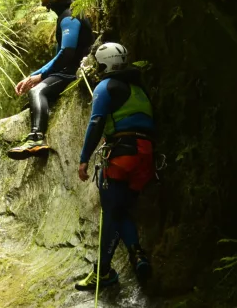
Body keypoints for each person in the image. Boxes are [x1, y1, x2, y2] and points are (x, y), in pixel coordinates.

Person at [74, 42, 155, 291]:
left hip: (122, 154)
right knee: (121, 212)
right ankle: (137, 255)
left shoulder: (105, 86)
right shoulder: (139, 88)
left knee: (111, 211)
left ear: (104, 64)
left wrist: (84, 157)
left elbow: (96, 120)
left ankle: (104, 272)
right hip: (146, 156)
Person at [8, 0, 93, 160]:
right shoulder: (68, 13)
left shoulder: (69, 16)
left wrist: (40, 77)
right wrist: (34, 75)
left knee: (37, 92)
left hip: (73, 72)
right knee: (34, 91)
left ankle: (37, 138)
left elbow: (67, 52)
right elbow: (62, 55)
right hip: (68, 70)